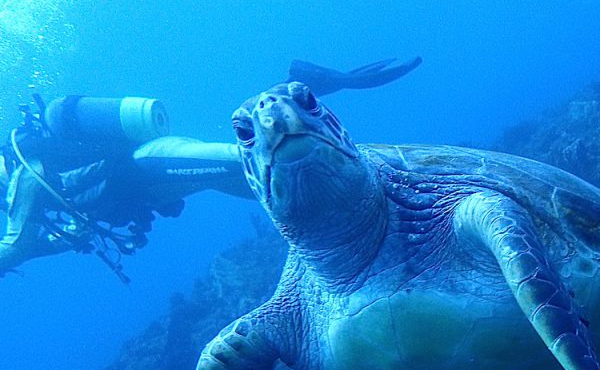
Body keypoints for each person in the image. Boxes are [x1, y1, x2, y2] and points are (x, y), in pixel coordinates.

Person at [0, 57, 421, 281]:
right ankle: (357, 202)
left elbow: (15, 244)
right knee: (259, 180)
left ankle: (327, 90)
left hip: (147, 164)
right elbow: (73, 229)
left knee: (256, 157)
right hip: (149, 185)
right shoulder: (40, 175)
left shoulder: (23, 173)